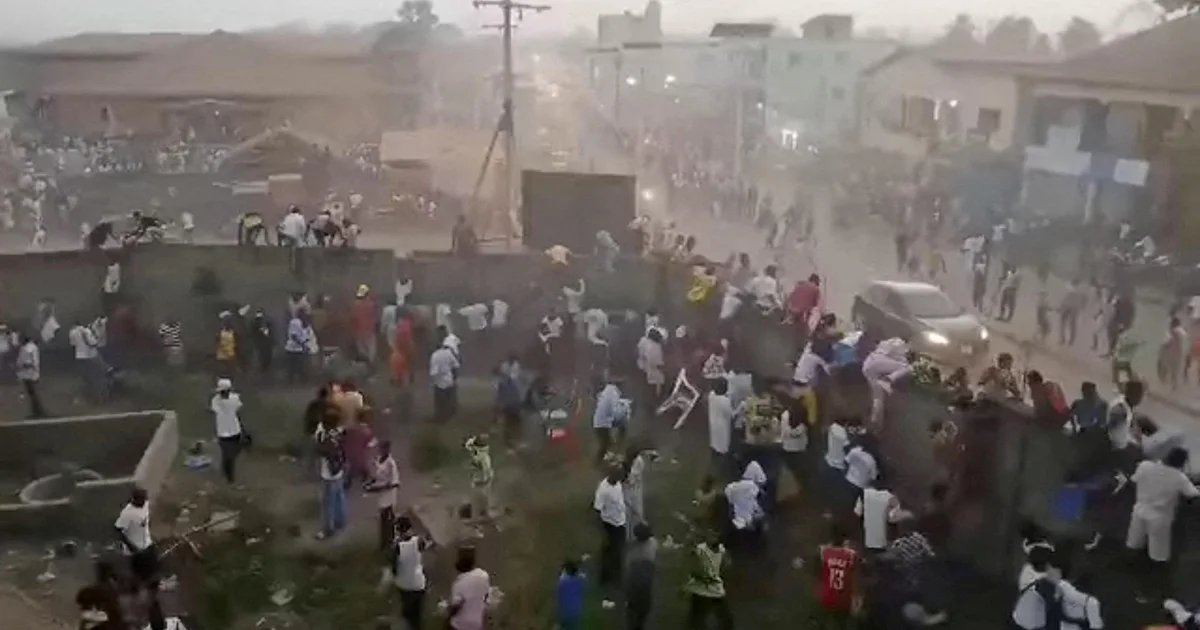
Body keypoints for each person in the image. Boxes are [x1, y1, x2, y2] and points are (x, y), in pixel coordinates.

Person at [1127, 447, 1199, 568]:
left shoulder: (1145, 466)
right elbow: (1193, 494)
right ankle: (1156, 571)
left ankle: (1131, 564)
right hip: (1160, 516)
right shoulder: (1179, 477)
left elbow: (1134, 479)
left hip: (1139, 509)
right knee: (1158, 550)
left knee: (1134, 541)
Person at [384, 516, 429, 630]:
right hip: (419, 583)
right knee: (417, 615)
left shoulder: (396, 547)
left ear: (398, 530)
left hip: (403, 585)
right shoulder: (418, 541)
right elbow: (424, 547)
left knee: (407, 614)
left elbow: (394, 568)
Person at [684, 532, 733, 630]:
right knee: (698, 618)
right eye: (712, 536)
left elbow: (726, 566)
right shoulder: (701, 550)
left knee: (722, 619)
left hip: (710, 589)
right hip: (703, 589)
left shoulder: (720, 550)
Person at [817, 524, 859, 630]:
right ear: (846, 540)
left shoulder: (824, 552)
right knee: (842, 623)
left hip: (827, 597)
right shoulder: (851, 555)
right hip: (844, 600)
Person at [593, 466, 627, 593]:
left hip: (620, 521)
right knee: (608, 551)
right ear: (611, 476)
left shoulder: (618, 484)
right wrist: (602, 532)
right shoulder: (603, 490)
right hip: (610, 524)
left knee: (618, 550)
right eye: (618, 477)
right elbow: (597, 510)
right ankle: (604, 578)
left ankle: (617, 576)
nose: (620, 479)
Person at [115, 487, 156, 584]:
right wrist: (131, 546)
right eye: (141, 499)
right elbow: (118, 530)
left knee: (151, 572)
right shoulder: (127, 513)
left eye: (144, 498)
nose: (143, 501)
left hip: (147, 546)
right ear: (135, 499)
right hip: (134, 551)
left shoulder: (146, 505)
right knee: (137, 576)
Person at [315, 419, 347, 540]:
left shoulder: (325, 437)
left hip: (328, 474)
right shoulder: (340, 432)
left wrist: (320, 434)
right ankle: (341, 522)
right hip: (338, 471)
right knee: (339, 497)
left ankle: (328, 529)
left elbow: (319, 448)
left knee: (328, 503)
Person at [367, 441, 400, 551]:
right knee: (383, 520)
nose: (382, 451)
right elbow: (376, 475)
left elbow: (394, 483)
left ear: (388, 449)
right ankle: (384, 544)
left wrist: (376, 489)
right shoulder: (379, 459)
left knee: (388, 521)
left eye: (384, 449)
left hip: (389, 497)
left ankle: (389, 544)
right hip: (381, 497)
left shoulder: (391, 464)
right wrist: (371, 483)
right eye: (381, 448)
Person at [210, 378, 245, 484]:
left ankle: (226, 471)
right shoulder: (216, 401)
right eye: (223, 392)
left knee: (233, 453)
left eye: (226, 391)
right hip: (223, 433)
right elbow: (217, 409)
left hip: (235, 430)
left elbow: (238, 408)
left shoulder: (234, 398)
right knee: (227, 455)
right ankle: (229, 477)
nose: (224, 393)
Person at [448, 547, 490, 630]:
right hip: (477, 623)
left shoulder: (459, 583)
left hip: (461, 625)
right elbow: (486, 596)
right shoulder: (484, 575)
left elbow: (456, 607)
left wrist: (447, 610)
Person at [626, 523, 658, 630]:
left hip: (636, 579)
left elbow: (629, 565)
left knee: (633, 605)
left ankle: (634, 624)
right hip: (645, 579)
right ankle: (639, 624)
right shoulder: (653, 543)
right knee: (644, 606)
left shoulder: (633, 547)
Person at [855, 479, 901, 553]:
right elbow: (893, 518)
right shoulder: (891, 496)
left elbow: (858, 512)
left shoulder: (863, 494)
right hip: (886, 542)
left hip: (868, 541)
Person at [593, 375, 627, 463]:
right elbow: (615, 410)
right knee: (606, 443)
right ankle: (599, 461)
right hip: (603, 422)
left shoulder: (607, 391)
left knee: (607, 442)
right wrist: (624, 409)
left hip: (600, 421)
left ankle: (610, 456)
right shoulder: (613, 393)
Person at [707, 379, 736, 477]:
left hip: (713, 424)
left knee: (715, 444)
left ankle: (713, 464)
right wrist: (741, 406)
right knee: (723, 447)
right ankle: (723, 470)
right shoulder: (725, 401)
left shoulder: (711, 395)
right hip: (722, 427)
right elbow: (732, 414)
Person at [430, 338, 460, 422]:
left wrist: (433, 381)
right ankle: (449, 416)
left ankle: (440, 417)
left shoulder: (434, 355)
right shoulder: (448, 353)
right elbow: (456, 365)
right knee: (448, 400)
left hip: (439, 382)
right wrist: (454, 378)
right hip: (449, 380)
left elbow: (433, 372)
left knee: (440, 402)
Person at [16, 334, 45, 418]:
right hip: (25, 373)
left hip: (30, 373)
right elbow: (20, 361)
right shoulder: (23, 348)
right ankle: (35, 410)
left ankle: (37, 411)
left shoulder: (32, 348)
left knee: (33, 393)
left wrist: (36, 372)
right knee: (31, 393)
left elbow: (35, 361)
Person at [637, 327, 666, 405]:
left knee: (644, 390)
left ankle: (645, 406)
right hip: (653, 372)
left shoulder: (643, 341)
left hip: (642, 368)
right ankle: (653, 406)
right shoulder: (655, 346)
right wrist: (663, 366)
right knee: (653, 392)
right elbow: (656, 362)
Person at [352, 284, 378, 366]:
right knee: (371, 351)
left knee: (362, 351)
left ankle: (365, 367)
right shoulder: (371, 304)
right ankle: (370, 366)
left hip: (358, 332)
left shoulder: (355, 305)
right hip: (369, 331)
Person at [556, 559, 586, 630]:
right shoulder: (579, 581)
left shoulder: (563, 582)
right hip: (577, 613)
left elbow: (559, 597)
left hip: (565, 613)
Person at [1159, 317, 1188, 390]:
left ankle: (1165, 381)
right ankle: (1174, 385)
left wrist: (1161, 350)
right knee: (1175, 371)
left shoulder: (1169, 332)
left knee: (1166, 367)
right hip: (1178, 354)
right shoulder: (1181, 332)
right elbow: (1185, 335)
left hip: (1170, 354)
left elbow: (1165, 343)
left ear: (1172, 325)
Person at [1060, 280, 1088, 346]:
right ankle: (1064, 339)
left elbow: (1084, 301)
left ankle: (1069, 341)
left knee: (1071, 324)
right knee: (1065, 323)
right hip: (1068, 307)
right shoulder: (1071, 289)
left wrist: (1082, 308)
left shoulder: (1080, 292)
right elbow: (1065, 298)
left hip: (1073, 308)